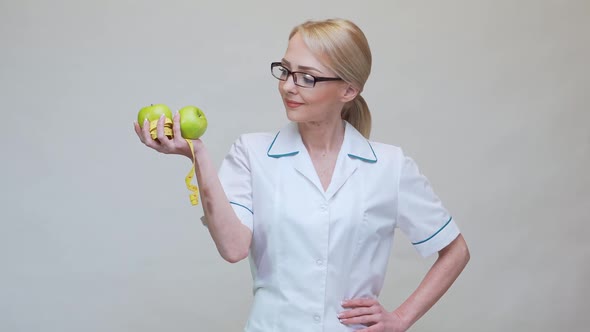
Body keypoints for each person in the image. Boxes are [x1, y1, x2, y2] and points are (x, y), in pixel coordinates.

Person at [134, 18, 470, 332]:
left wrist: (400, 318)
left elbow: (455, 250)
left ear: (348, 91)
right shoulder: (252, 153)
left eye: (306, 77)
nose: (288, 87)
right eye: (285, 71)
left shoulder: (389, 165)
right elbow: (234, 248)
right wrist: (198, 155)